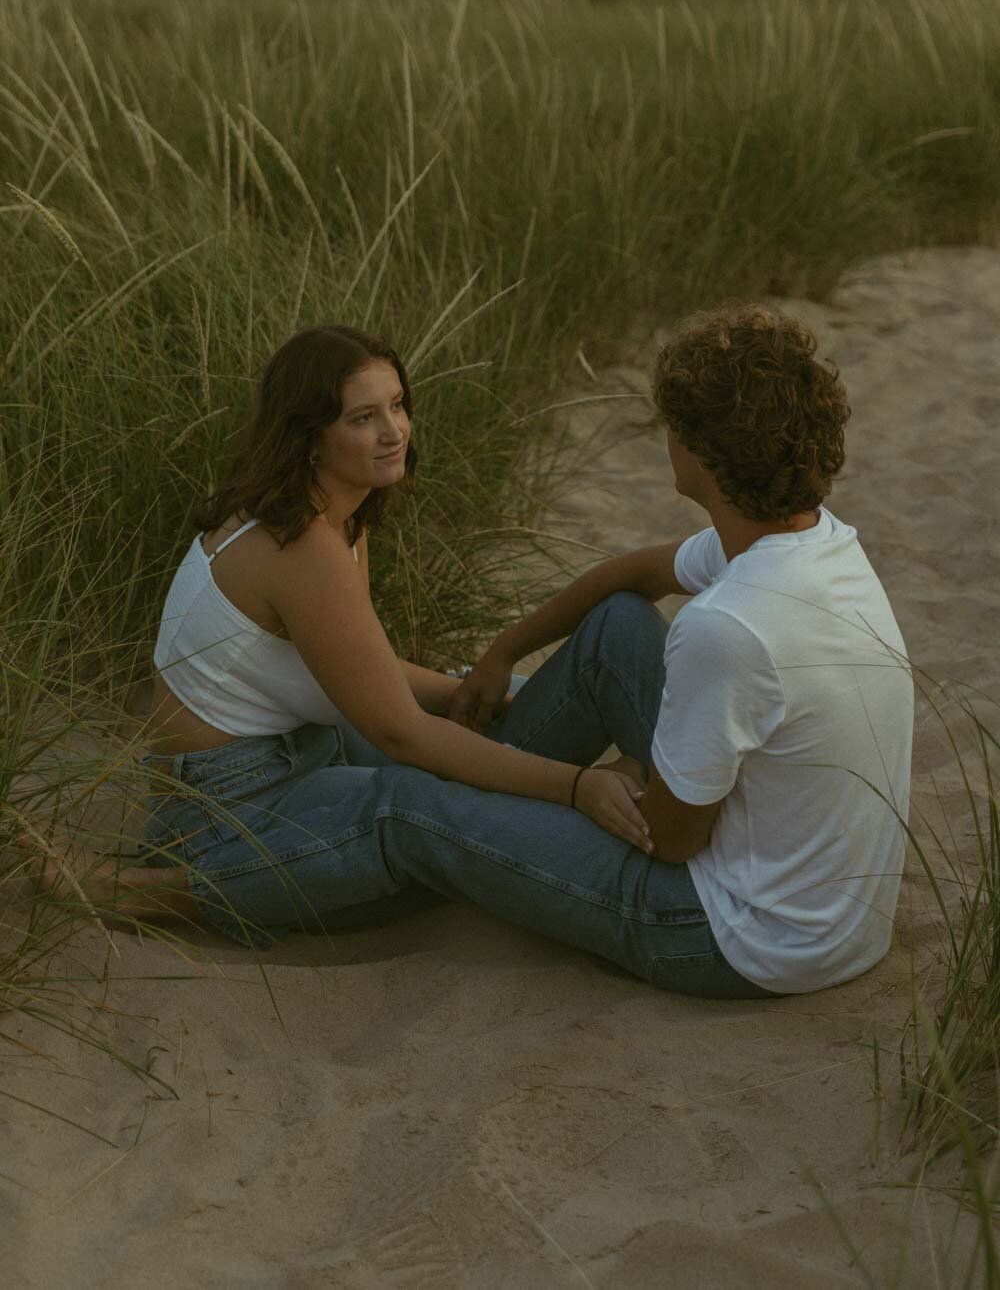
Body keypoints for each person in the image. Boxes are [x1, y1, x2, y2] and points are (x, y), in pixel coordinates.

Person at [26, 308, 913, 999]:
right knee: (418, 790)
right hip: (229, 812)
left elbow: (676, 836)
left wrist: (552, 750)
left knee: (440, 775)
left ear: (699, 450)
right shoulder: (822, 546)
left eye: (397, 408)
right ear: (309, 435)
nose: (394, 432)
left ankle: (494, 824)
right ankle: (156, 890)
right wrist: (543, 734)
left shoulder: (327, 518)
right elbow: (394, 720)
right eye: (364, 417)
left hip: (736, 920)